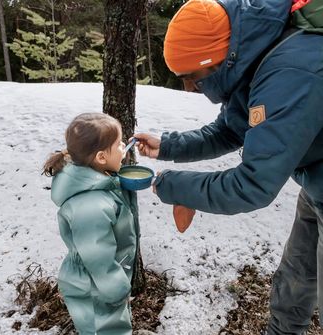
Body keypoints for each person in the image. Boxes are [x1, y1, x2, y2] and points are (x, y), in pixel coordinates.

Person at [134, 0, 323, 334]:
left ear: (213, 59)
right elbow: (230, 129)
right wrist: (168, 146)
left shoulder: (290, 72)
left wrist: (172, 186)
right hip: (316, 185)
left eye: (190, 77)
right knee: (296, 277)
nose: (189, 88)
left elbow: (252, 186)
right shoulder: (252, 57)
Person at [43, 113, 138, 335]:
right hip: (95, 287)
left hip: (100, 283)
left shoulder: (97, 181)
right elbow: (97, 256)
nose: (124, 146)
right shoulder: (90, 206)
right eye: (119, 144)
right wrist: (117, 289)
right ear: (101, 157)